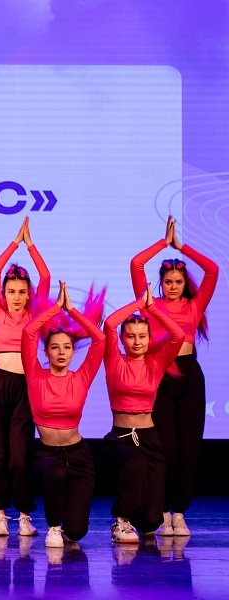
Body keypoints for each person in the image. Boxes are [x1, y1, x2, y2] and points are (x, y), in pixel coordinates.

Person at [130, 216, 218, 536]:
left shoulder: (194, 307)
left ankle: (178, 512)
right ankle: (162, 510)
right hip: (161, 377)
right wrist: (162, 244)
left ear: (184, 284)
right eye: (168, 281)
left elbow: (212, 270)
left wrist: (182, 247)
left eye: (178, 282)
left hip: (190, 376)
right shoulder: (150, 304)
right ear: (161, 283)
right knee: (165, 447)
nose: (173, 287)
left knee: (188, 448)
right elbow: (136, 264)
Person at [21, 282, 105, 548]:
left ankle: (67, 526)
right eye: (55, 347)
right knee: (54, 473)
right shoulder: (36, 376)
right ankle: (53, 527)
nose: (61, 352)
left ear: (72, 351)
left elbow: (100, 340)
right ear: (46, 351)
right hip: (47, 455)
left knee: (77, 532)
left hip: (78, 456)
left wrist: (71, 311)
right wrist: (56, 308)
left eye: (66, 347)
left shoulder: (81, 377)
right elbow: (28, 332)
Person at [0, 217, 50, 537]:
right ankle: (0, 514)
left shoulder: (35, 315)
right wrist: (14, 243)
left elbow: (45, 276)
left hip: (26, 388)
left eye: (22, 291)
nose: (17, 297)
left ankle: (23, 514)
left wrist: (30, 244)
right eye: (11, 291)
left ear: (28, 294)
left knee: (21, 455)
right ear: (4, 293)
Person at [103, 284, 185, 542]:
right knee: (134, 464)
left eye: (142, 336)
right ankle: (121, 520)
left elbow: (178, 335)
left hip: (150, 438)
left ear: (150, 339)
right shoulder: (114, 361)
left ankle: (139, 518)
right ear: (122, 339)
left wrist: (153, 309)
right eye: (130, 336)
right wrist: (140, 303)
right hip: (121, 437)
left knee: (151, 522)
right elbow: (109, 324)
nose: (137, 342)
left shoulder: (155, 363)